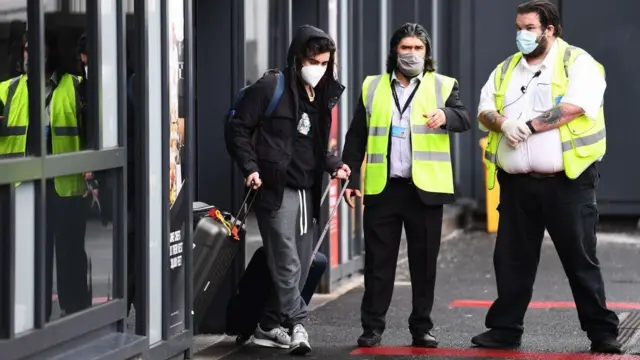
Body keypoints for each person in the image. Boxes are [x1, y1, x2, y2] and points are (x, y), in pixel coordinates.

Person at [473, 0, 620, 353]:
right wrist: (503, 122)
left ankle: (602, 333)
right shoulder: (507, 68)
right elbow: (483, 109)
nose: (521, 35)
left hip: (567, 183)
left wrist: (528, 126)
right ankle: (505, 330)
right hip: (518, 184)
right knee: (510, 260)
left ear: (549, 30)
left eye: (529, 28)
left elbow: (575, 107)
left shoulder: (578, 63)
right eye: (518, 28)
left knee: (580, 259)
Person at [341, 23, 471, 348]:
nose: (411, 54)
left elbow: (464, 117)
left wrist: (445, 115)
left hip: (424, 191)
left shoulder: (442, 85)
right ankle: (372, 327)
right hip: (384, 189)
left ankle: (421, 327)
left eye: (417, 48)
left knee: (424, 264)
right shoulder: (373, 87)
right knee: (378, 264)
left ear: (427, 53)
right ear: (394, 51)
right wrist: (352, 179)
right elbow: (357, 135)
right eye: (405, 48)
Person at [225, 25, 349, 355]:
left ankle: (267, 324)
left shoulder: (321, 94)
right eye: (313, 61)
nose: (319, 68)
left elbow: (313, 145)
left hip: (308, 189)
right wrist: (250, 168)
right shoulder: (271, 86)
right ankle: (298, 325)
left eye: (325, 62)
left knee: (304, 262)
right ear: (297, 58)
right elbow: (237, 127)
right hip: (275, 189)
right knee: (287, 261)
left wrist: (335, 164)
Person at [0, 31, 91, 320]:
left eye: (37, 48)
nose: (31, 55)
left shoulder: (74, 86)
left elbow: (94, 130)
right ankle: (34, 312)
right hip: (23, 186)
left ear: (51, 52)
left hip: (65, 186)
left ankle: (75, 312)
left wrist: (95, 176)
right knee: (30, 253)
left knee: (70, 254)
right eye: (27, 49)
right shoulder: (7, 90)